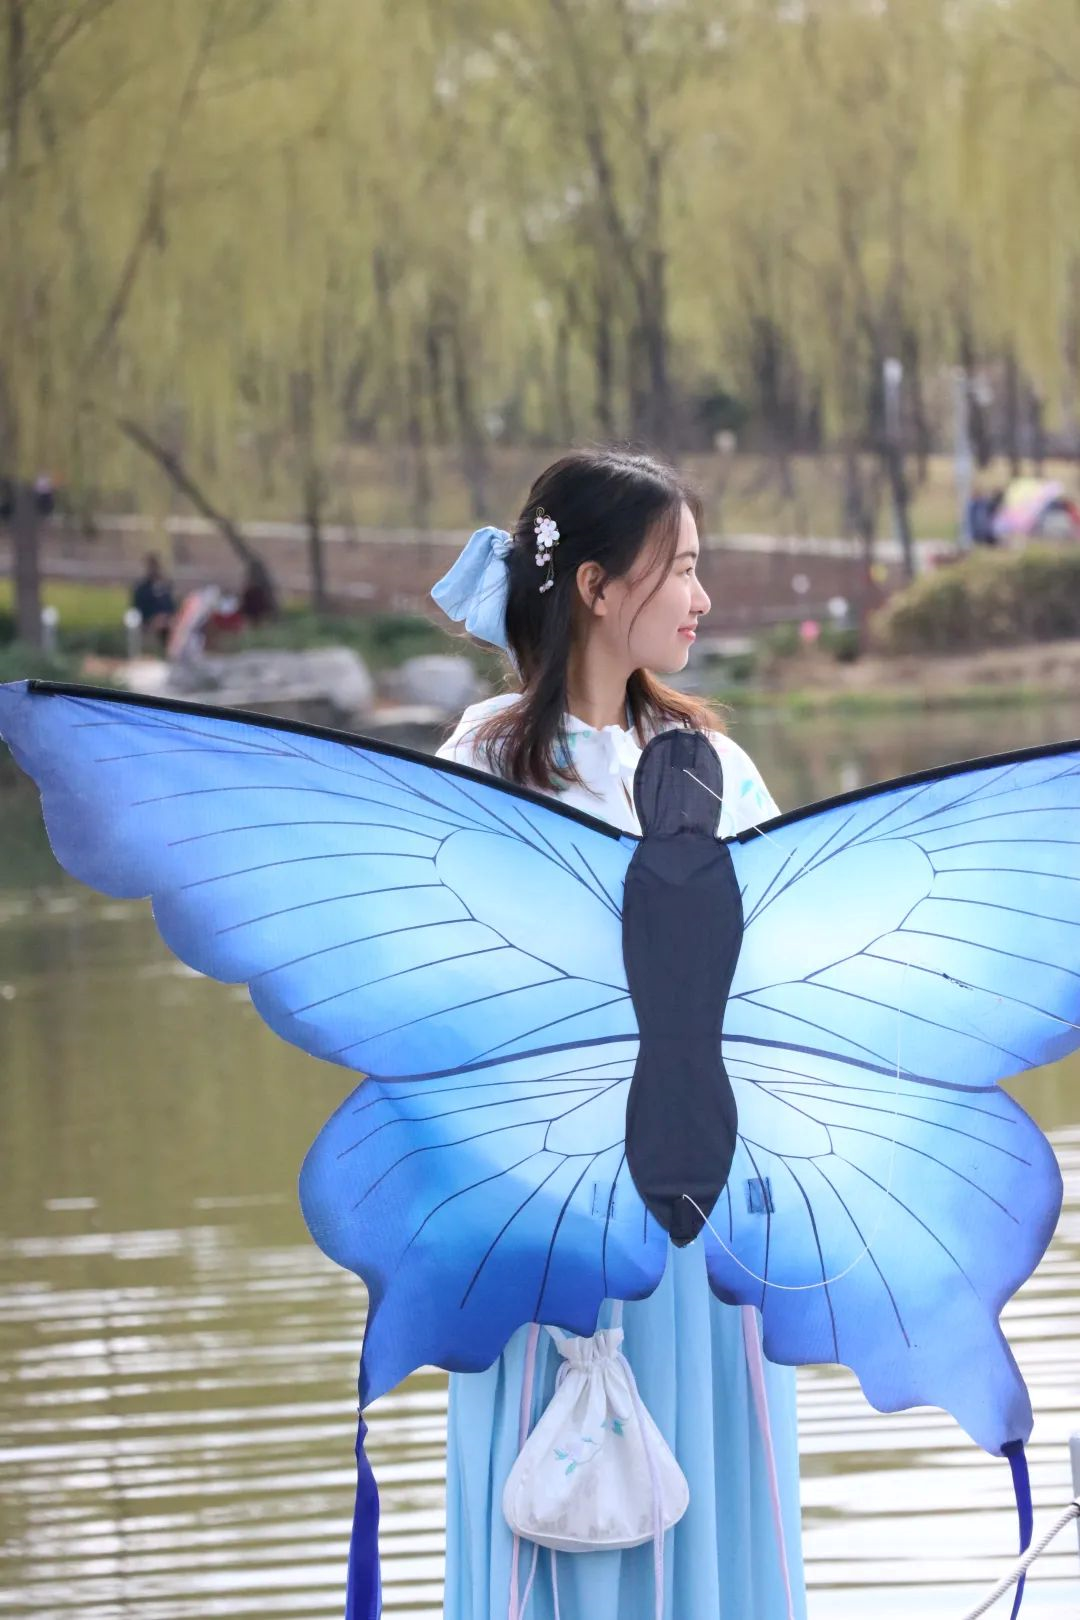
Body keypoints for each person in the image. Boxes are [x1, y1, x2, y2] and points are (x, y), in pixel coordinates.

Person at [430, 447, 806, 1620]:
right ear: (596, 587)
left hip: (704, 1214)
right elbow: (443, 998)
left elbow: (781, 972)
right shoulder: (488, 768)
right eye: (679, 568)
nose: (702, 597)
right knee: (564, 1526)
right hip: (549, 1214)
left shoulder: (714, 769)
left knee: (714, 1501)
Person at [131, 554, 177, 648]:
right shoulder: (142, 588)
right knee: (160, 625)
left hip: (166, 620)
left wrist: (168, 617)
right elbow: (138, 608)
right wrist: (151, 619)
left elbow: (171, 606)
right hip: (149, 621)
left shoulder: (165, 586)